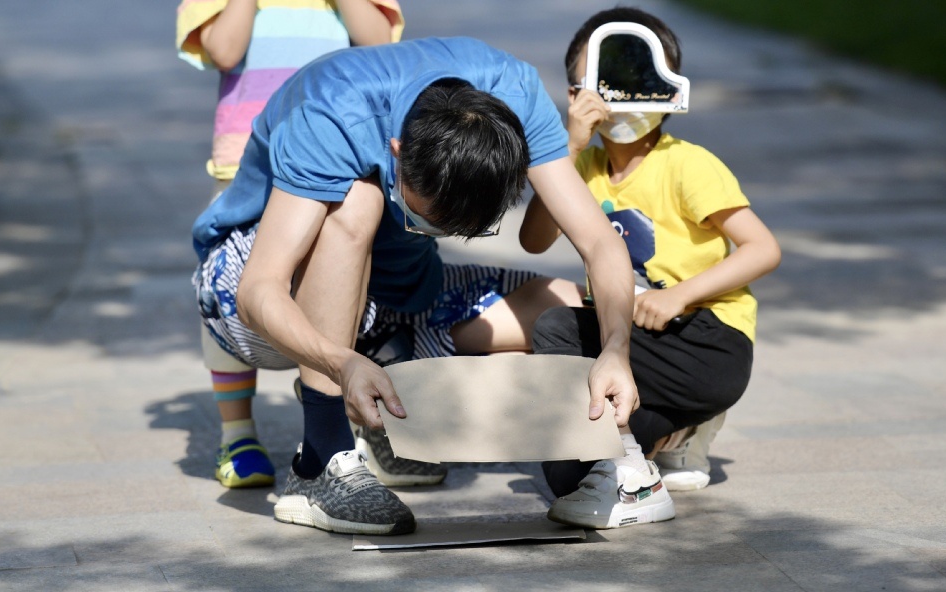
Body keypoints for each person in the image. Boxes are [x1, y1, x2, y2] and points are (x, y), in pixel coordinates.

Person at [191, 36, 640, 535]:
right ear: (398, 154)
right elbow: (261, 289)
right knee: (358, 201)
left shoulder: (514, 95)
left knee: (564, 304)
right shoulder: (335, 112)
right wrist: (340, 363)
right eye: (431, 222)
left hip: (392, 295)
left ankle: (384, 401)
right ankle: (320, 459)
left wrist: (617, 350)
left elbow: (599, 244)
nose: (447, 235)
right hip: (248, 295)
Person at [173, 0, 404, 491]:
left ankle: (335, 419)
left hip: (336, 172)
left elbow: (381, 48)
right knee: (241, 294)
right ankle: (238, 434)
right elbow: (223, 50)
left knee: (335, 292)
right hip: (247, 177)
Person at [519, 6, 781, 530]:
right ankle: (671, 436)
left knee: (555, 326)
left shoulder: (688, 164)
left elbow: (761, 248)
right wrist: (568, 146)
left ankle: (657, 442)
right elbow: (533, 238)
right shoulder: (582, 167)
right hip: (634, 341)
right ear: (574, 93)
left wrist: (679, 295)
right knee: (565, 478)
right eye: (593, 84)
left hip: (706, 341)